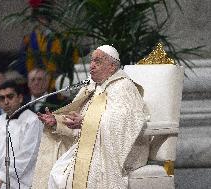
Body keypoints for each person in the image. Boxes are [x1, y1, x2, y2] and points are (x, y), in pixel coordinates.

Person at [38, 45, 150, 189]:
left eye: (97, 61)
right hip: (91, 147)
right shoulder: (92, 89)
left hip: (117, 151)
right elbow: (79, 125)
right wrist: (57, 122)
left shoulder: (123, 87)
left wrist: (86, 122)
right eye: (91, 61)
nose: (91, 66)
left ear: (112, 66)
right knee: (58, 173)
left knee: (73, 178)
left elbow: (124, 123)